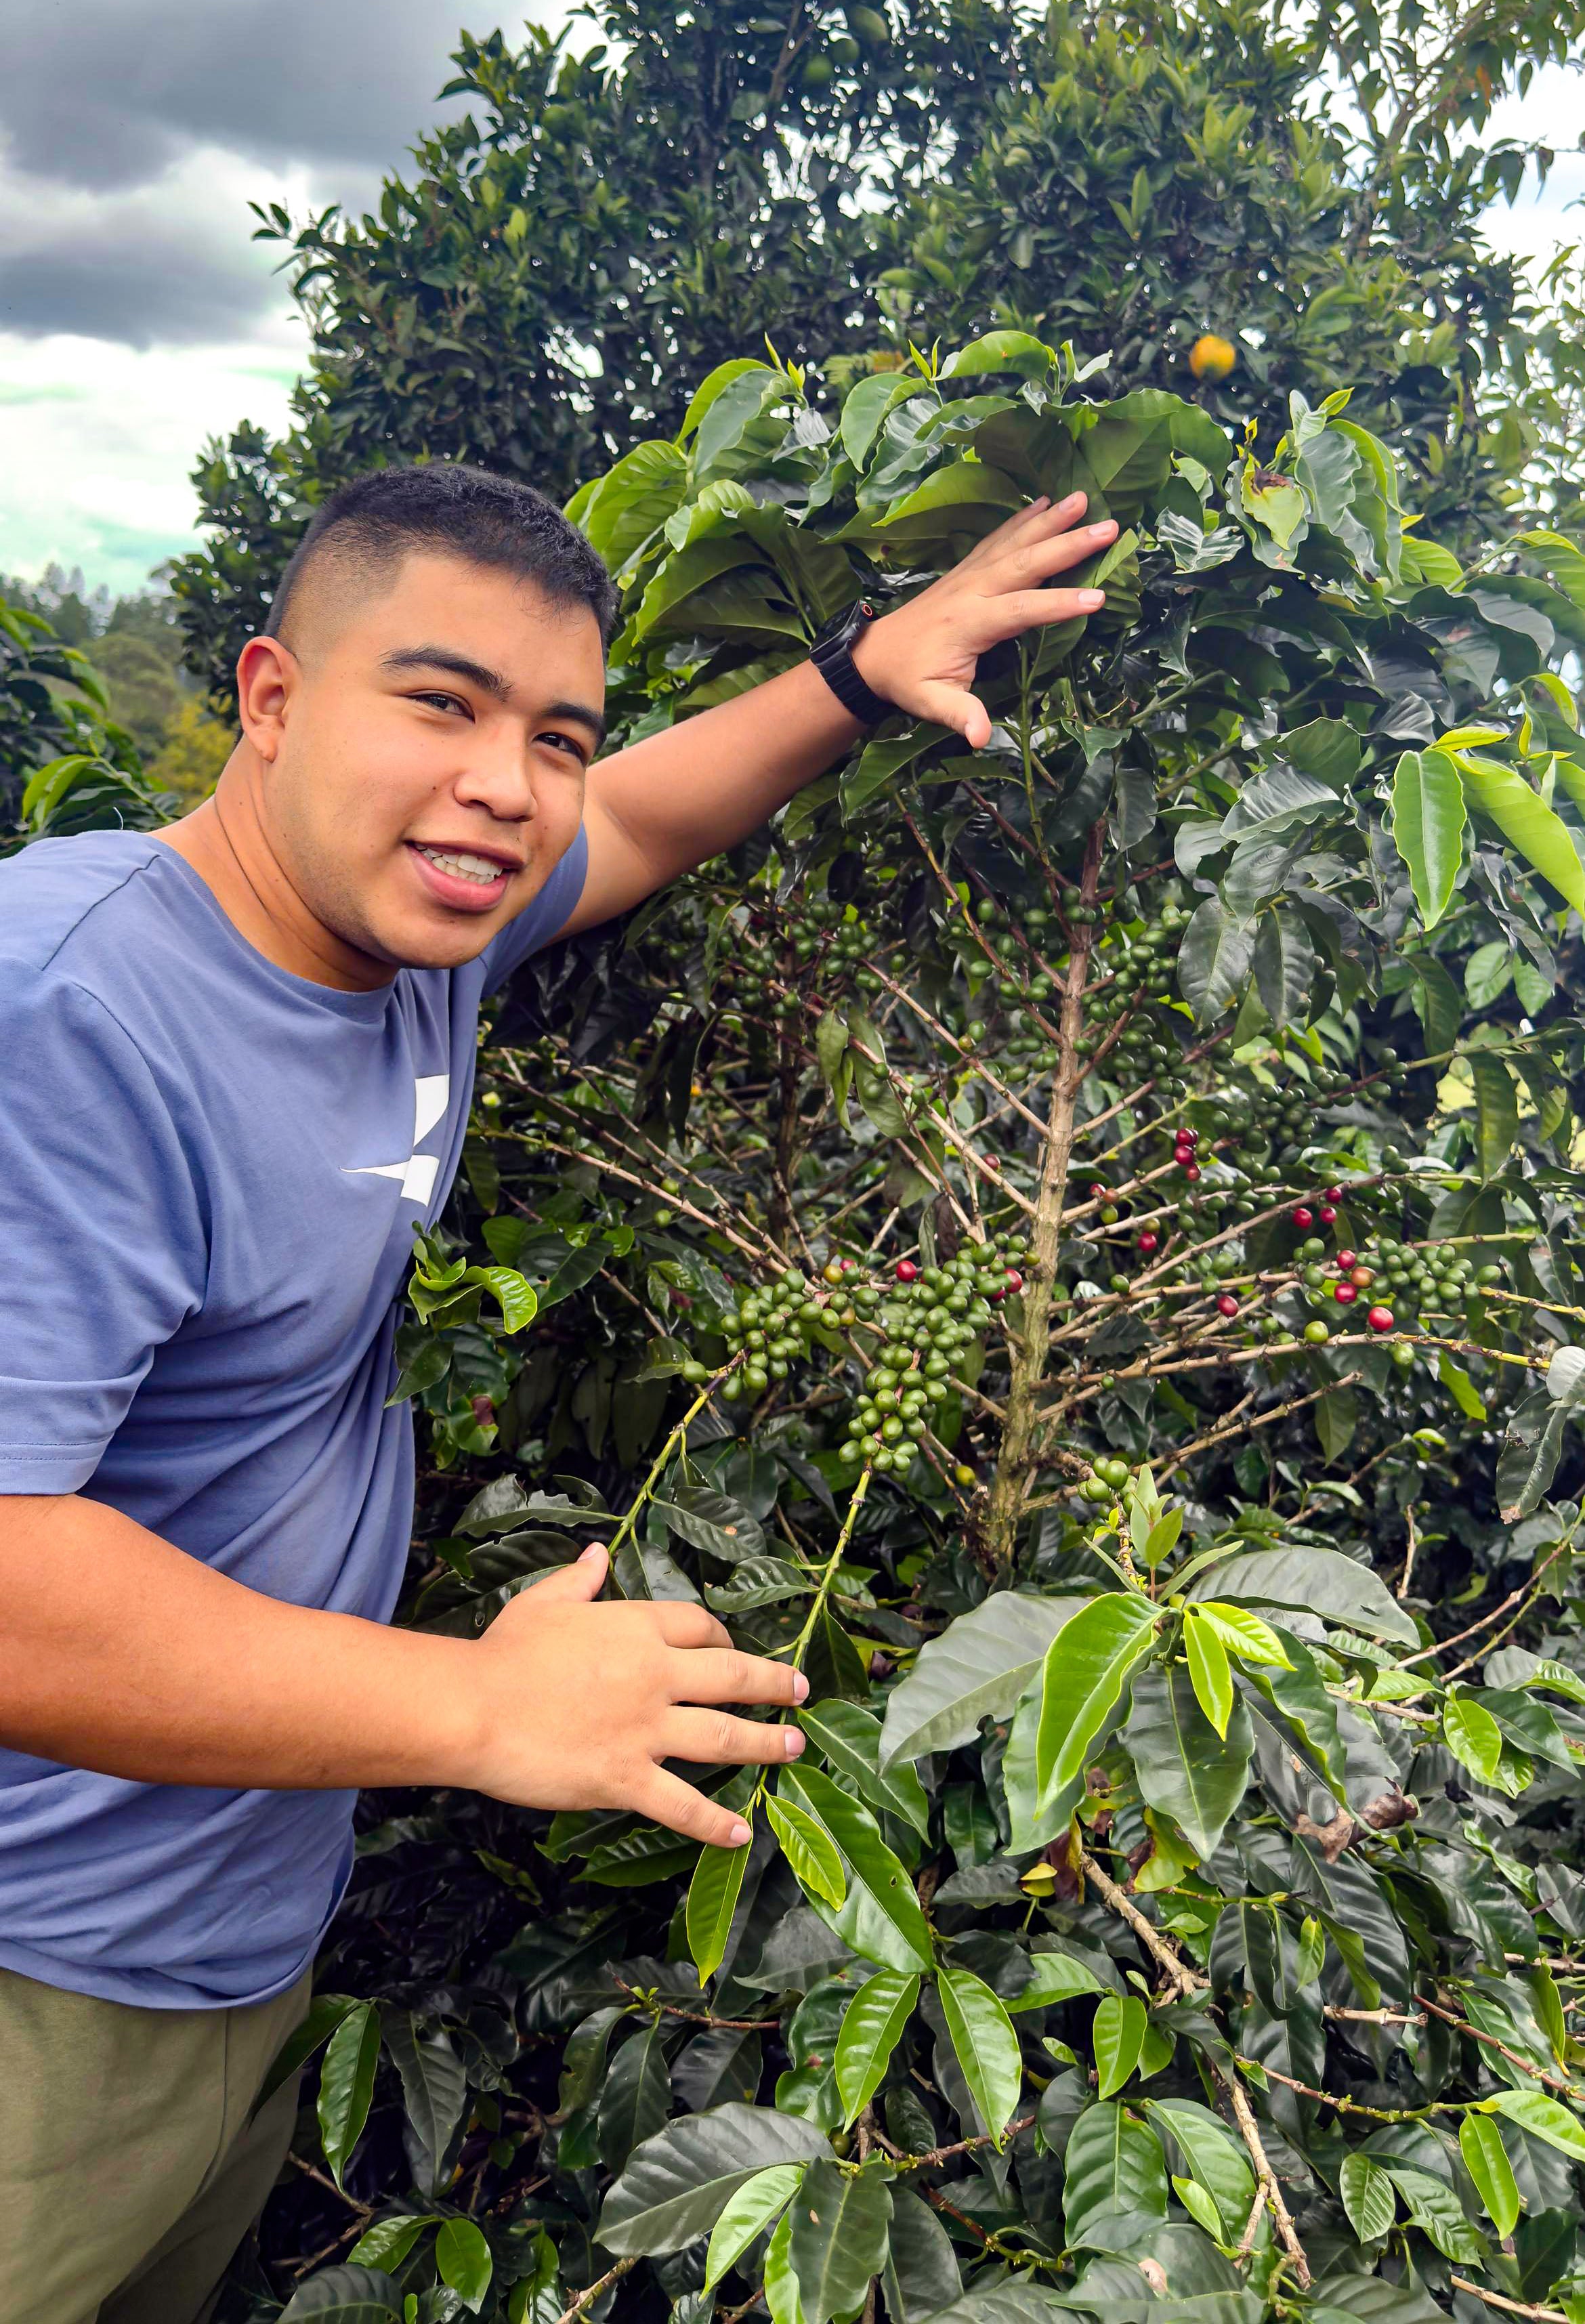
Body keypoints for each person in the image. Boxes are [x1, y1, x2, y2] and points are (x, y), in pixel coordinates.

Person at [0, 459, 1114, 2321]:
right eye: (438, 704)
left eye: (556, 736)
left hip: (226, 1934)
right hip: (38, 1975)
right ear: (270, 698)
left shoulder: (409, 924)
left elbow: (647, 816)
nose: (506, 786)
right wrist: (476, 1705)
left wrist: (860, 671)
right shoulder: (69, 1012)